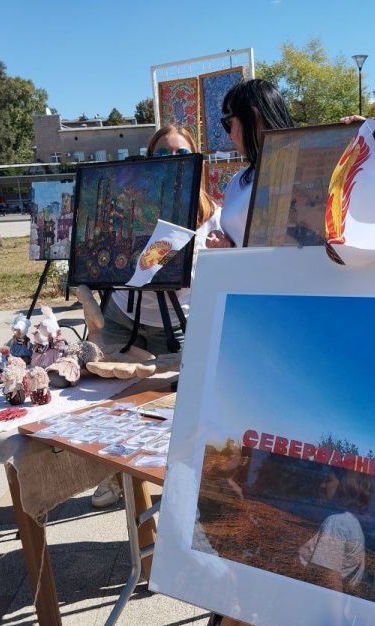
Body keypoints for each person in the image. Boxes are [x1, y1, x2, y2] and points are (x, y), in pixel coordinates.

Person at [88, 123, 219, 509]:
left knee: (175, 413)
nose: (173, 162)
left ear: (195, 161)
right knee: (109, 404)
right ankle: (115, 476)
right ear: (151, 162)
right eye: (163, 156)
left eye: (181, 155)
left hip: (178, 327)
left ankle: (177, 483)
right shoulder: (133, 207)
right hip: (122, 319)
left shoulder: (216, 218)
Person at [205, 79, 295, 249]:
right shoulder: (238, 180)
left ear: (253, 118)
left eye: (228, 123)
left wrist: (359, 138)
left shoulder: (306, 167)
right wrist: (223, 241)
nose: (229, 135)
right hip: (247, 274)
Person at [298, 468, 373, 594]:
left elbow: (330, 581)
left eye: (328, 481)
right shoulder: (351, 522)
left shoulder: (337, 522)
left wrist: (334, 612)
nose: (322, 486)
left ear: (345, 485)